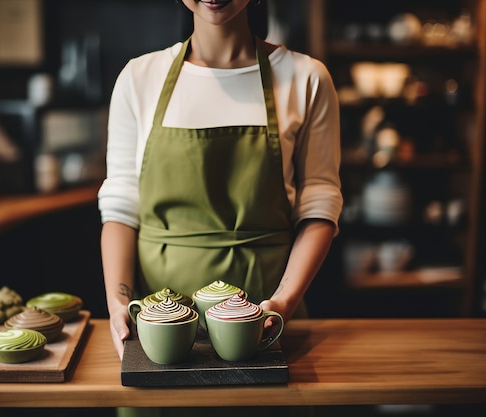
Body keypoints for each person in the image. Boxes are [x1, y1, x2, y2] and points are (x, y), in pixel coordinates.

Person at [98, 0, 341, 414]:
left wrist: (281, 303)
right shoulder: (139, 78)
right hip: (160, 334)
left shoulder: (305, 78)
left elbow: (320, 204)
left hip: (265, 325)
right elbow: (121, 208)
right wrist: (118, 304)